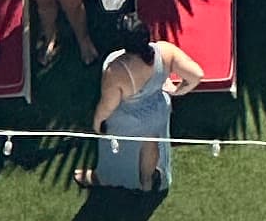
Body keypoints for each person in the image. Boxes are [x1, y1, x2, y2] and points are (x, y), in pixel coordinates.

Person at [84, 22, 207, 200]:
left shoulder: (116, 71)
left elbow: (107, 106)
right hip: (157, 111)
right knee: (151, 144)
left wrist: (97, 123)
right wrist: (176, 91)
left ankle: (104, 177)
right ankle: (147, 182)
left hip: (128, 118)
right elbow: (196, 75)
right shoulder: (165, 51)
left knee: (115, 149)